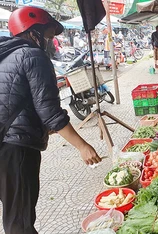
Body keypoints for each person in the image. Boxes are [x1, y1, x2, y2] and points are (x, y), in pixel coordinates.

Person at [0, 6, 101, 234]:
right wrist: (83, 146)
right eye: (48, 36)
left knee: (13, 211)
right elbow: (50, 111)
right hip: (17, 148)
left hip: (4, 144)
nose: (49, 42)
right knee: (20, 222)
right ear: (34, 32)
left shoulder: (6, 54)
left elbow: (17, 99)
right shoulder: (33, 55)